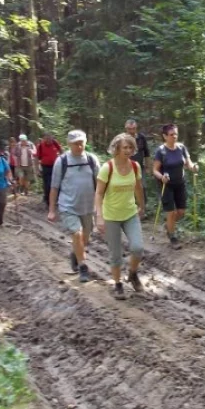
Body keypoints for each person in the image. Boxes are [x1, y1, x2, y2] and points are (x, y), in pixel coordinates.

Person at [95, 133, 147, 300]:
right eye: (125, 147)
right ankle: (117, 284)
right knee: (116, 255)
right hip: (111, 216)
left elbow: (138, 187)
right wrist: (99, 217)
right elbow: (98, 194)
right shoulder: (107, 168)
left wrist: (142, 205)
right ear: (116, 149)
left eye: (131, 147)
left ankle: (132, 274)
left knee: (138, 248)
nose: (128, 150)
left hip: (130, 213)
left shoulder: (135, 166)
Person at [48, 130, 99, 283]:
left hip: (88, 207)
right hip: (68, 206)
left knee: (85, 238)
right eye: (76, 143)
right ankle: (83, 267)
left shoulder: (91, 159)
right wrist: (51, 209)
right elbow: (54, 187)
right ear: (69, 144)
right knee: (77, 234)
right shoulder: (62, 161)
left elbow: (100, 185)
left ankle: (75, 253)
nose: (79, 146)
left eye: (81, 142)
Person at [152, 124, 198, 250]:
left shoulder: (181, 148)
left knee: (181, 212)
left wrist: (193, 167)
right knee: (171, 212)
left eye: (176, 134)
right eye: (171, 135)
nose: (175, 137)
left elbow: (188, 163)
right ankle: (172, 237)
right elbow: (155, 170)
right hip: (166, 185)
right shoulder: (161, 151)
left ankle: (168, 225)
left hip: (180, 183)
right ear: (165, 136)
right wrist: (161, 177)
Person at [125, 118, 151, 205]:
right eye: (129, 129)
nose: (132, 131)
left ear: (136, 128)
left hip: (140, 167)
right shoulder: (122, 138)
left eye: (133, 128)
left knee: (142, 187)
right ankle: (130, 207)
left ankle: (143, 208)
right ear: (126, 129)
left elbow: (146, 153)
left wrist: (147, 167)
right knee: (129, 187)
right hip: (126, 168)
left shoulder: (141, 137)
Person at [36, 132, 63, 208]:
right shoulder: (41, 145)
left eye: (50, 138)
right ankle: (48, 202)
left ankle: (57, 200)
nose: (49, 140)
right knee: (47, 185)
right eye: (47, 139)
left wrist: (62, 160)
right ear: (44, 138)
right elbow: (37, 157)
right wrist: (37, 169)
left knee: (57, 184)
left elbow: (61, 151)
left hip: (55, 167)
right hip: (45, 167)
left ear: (52, 138)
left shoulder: (55, 143)